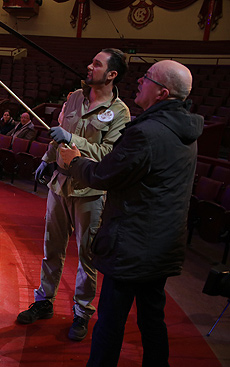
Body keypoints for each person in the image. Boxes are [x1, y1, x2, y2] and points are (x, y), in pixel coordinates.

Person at [59, 60, 203, 366]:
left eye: (147, 78)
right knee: (152, 320)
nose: (139, 80)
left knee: (110, 321)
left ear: (162, 93)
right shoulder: (185, 130)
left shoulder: (146, 133)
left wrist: (73, 161)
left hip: (132, 245)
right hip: (163, 245)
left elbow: (105, 175)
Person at [16, 48, 131, 342]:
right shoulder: (74, 98)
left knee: (86, 256)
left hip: (91, 190)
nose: (89, 66)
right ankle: (44, 301)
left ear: (112, 74)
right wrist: (47, 158)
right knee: (51, 248)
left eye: (97, 64)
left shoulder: (120, 112)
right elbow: (59, 133)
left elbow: (108, 153)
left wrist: (73, 140)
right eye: (91, 61)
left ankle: (81, 313)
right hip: (60, 184)